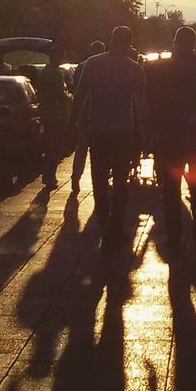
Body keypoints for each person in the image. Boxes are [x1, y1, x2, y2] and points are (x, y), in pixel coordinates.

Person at [70, 26, 147, 249]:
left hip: (99, 130)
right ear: (129, 43)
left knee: (99, 180)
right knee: (121, 183)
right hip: (123, 131)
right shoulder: (135, 69)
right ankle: (116, 227)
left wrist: (72, 122)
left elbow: (79, 96)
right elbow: (142, 105)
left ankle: (104, 222)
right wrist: (148, 132)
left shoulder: (93, 64)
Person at [148, 25, 196, 247]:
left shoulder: (161, 69)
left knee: (170, 189)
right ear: (194, 44)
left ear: (175, 42)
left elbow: (154, 103)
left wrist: (154, 130)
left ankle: (174, 234)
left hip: (170, 137)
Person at [70, 39, 106, 195]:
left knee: (81, 149)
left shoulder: (81, 67)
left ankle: (76, 177)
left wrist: (73, 117)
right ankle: (100, 182)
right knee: (100, 152)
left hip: (85, 115)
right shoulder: (107, 67)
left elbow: (76, 91)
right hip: (100, 115)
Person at [34, 45, 72, 188]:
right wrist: (71, 97)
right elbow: (61, 94)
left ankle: (48, 174)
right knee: (55, 147)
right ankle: (50, 176)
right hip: (57, 114)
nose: (63, 58)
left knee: (50, 145)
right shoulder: (56, 73)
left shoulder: (43, 72)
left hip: (46, 113)